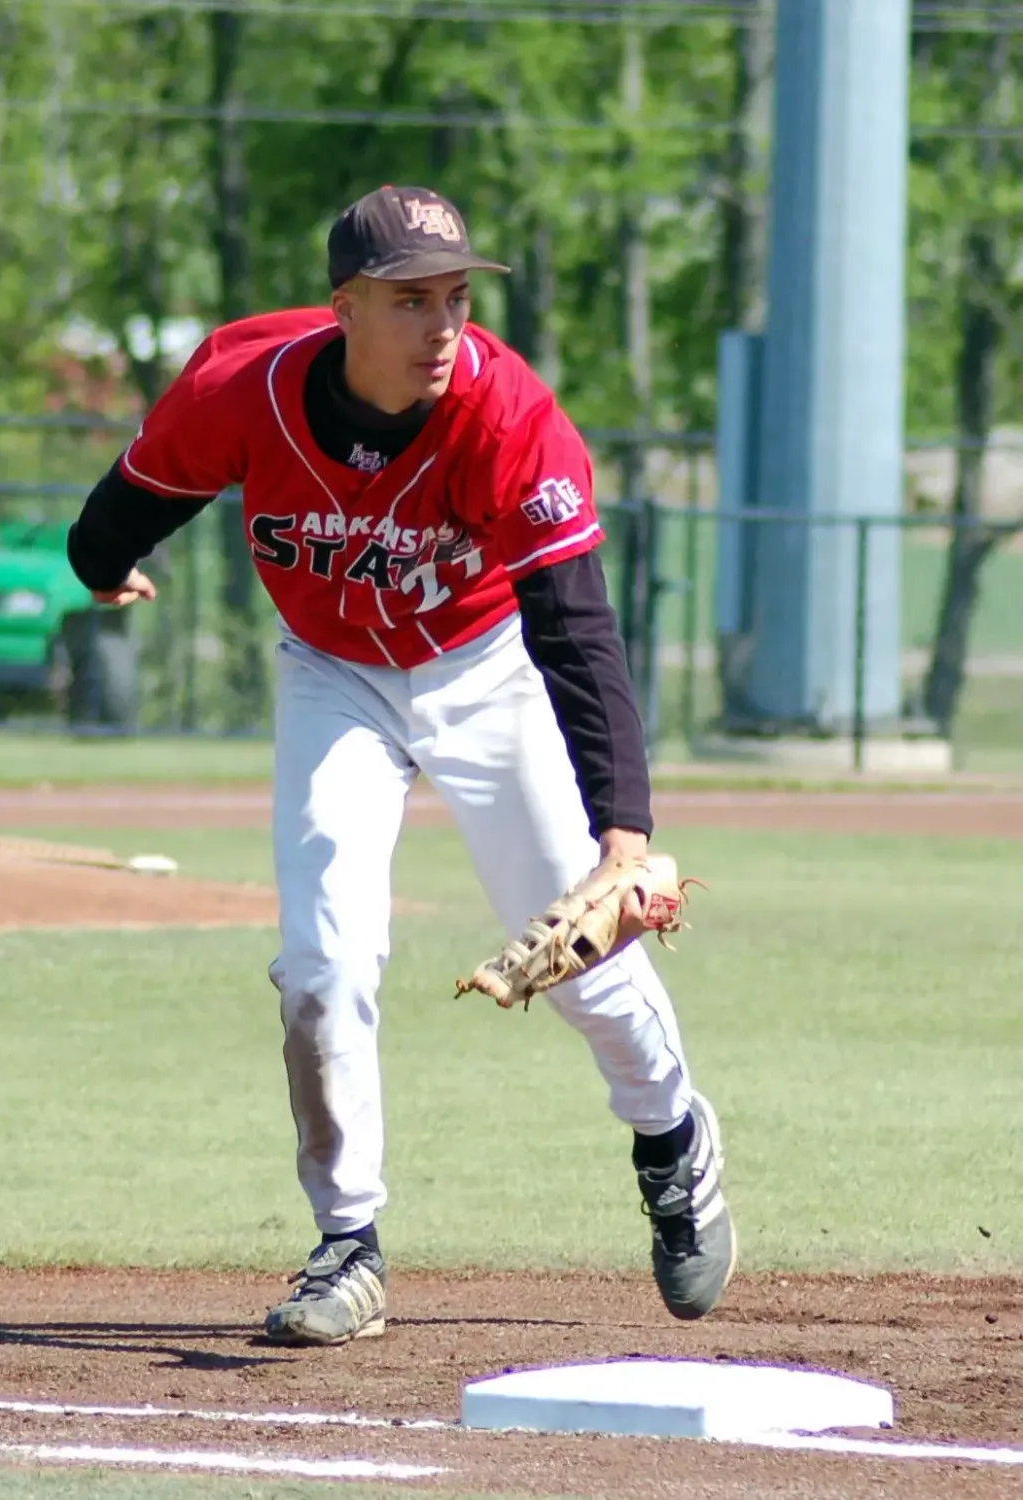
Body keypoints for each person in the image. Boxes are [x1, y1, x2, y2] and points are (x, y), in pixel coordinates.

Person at [66, 184, 736, 1346]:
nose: (444, 324)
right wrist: (102, 567)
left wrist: (622, 827)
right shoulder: (245, 386)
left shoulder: (509, 414)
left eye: (458, 297)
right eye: (411, 298)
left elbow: (576, 626)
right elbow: (127, 505)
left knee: (586, 967)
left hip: (487, 669)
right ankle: (349, 1246)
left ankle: (674, 1133)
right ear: (344, 308)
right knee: (322, 962)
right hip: (333, 675)